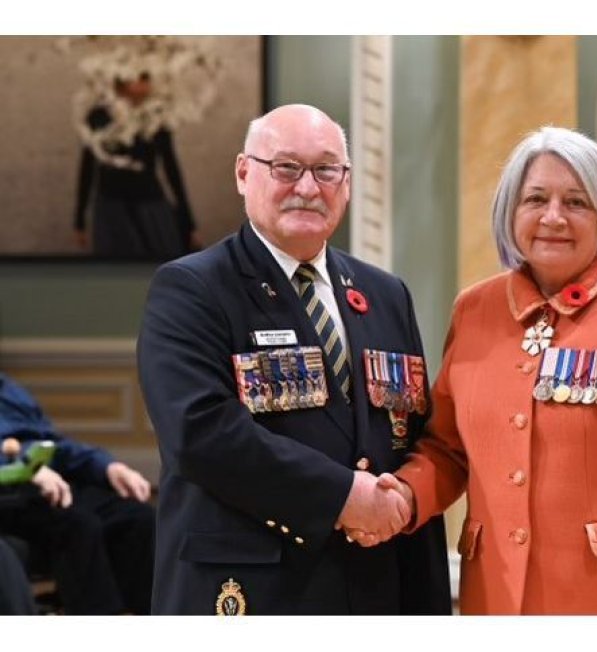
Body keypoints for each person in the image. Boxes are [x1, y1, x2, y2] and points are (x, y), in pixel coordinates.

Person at [381, 127, 597, 614]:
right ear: (511, 212)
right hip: (497, 599)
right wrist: (401, 497)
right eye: (536, 199)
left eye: (576, 202)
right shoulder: (475, 310)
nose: (553, 217)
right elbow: (447, 449)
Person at [136, 104, 451, 615]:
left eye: (326, 170)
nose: (308, 186)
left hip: (376, 582)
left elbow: (411, 433)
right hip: (255, 586)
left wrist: (405, 501)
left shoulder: (385, 293)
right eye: (286, 168)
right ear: (244, 173)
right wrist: (344, 496)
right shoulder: (193, 288)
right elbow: (201, 434)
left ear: (345, 184)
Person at [0, 372, 155, 614]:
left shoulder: (9, 391)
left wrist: (107, 467)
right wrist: (23, 465)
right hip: (10, 491)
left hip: (50, 482)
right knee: (77, 524)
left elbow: (55, 445)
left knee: (137, 518)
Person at [73, 72, 200, 260]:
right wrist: (79, 221)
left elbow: (171, 168)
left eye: (146, 79)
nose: (144, 86)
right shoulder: (99, 116)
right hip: (111, 207)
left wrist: (189, 224)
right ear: (122, 82)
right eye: (139, 79)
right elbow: (88, 168)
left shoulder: (156, 117)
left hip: (149, 205)